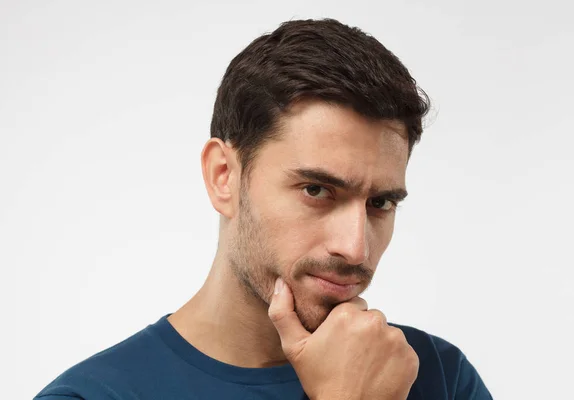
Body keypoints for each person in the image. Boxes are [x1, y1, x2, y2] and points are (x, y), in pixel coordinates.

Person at [35, 18, 493, 400]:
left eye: (380, 202)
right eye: (316, 190)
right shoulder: (93, 396)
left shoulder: (437, 376)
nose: (355, 248)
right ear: (224, 177)